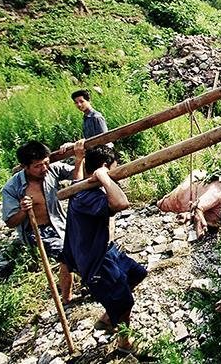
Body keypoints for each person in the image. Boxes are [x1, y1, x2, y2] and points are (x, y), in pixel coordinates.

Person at [62, 145, 147, 352]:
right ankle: (124, 343)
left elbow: (78, 177)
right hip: (97, 261)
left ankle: (109, 317)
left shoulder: (82, 186)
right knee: (125, 303)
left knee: (138, 273)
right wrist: (105, 178)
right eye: (113, 169)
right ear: (102, 168)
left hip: (107, 250)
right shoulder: (86, 196)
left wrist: (79, 158)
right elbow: (121, 203)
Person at [1, 139, 85, 303]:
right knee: (66, 254)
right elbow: (10, 222)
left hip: (59, 223)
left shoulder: (51, 170)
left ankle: (69, 296)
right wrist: (24, 210)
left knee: (76, 250)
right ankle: (98, 281)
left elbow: (79, 179)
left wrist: (79, 156)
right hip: (36, 232)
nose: (44, 168)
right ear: (25, 167)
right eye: (38, 166)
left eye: (46, 163)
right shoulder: (12, 188)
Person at [59, 89, 110, 154]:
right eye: (76, 103)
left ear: (89, 101)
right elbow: (89, 138)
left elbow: (104, 139)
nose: (79, 105)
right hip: (93, 152)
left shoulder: (96, 117)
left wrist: (75, 144)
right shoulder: (86, 118)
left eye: (81, 101)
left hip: (102, 153)